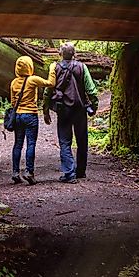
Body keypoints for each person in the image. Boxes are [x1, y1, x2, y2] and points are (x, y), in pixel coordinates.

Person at [44, 43, 98, 183]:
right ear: (74, 54)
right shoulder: (82, 67)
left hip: (63, 110)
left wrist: (45, 110)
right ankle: (80, 171)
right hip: (80, 109)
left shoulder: (55, 67)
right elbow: (91, 89)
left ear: (60, 54)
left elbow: (48, 90)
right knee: (82, 141)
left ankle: (69, 173)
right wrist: (94, 105)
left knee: (65, 141)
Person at [9, 55, 54, 185]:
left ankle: (15, 173)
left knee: (17, 144)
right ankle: (29, 172)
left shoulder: (13, 82)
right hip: (30, 116)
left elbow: (13, 102)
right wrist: (52, 68)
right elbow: (50, 83)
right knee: (31, 144)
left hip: (17, 115)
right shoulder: (32, 79)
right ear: (29, 67)